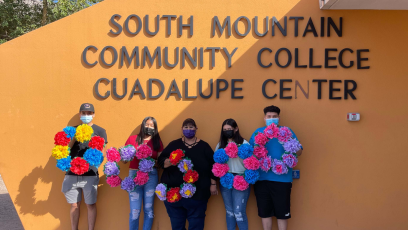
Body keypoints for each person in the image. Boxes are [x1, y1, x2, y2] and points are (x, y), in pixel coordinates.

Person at [249, 105, 303, 230]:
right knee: (265, 213)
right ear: (264, 118)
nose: (271, 119)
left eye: (274, 117)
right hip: (262, 180)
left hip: (282, 180)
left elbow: (300, 152)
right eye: (269, 117)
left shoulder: (287, 132)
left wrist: (293, 146)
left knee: (282, 214)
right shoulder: (258, 132)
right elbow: (250, 154)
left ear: (279, 118)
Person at [158, 118, 217, 230]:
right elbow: (161, 160)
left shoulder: (204, 146)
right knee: (177, 226)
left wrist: (213, 184)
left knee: (196, 225)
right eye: (186, 127)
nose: (188, 129)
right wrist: (172, 160)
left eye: (191, 127)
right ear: (182, 129)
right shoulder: (174, 144)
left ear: (196, 129)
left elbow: (213, 166)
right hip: (174, 196)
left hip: (198, 196)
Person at [62, 103, 108, 230]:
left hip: (90, 174)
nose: (86, 115)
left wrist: (95, 162)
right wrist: (74, 136)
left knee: (90, 204)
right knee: (74, 205)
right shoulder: (72, 129)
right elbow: (64, 149)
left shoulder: (100, 131)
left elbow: (103, 153)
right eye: (84, 113)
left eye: (89, 113)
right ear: (79, 114)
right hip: (72, 173)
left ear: (93, 115)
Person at [124, 117, 163, 230]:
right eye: (147, 125)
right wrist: (124, 154)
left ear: (155, 128)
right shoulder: (132, 139)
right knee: (135, 211)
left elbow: (160, 162)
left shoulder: (157, 142)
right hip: (134, 176)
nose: (149, 127)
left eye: (152, 126)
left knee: (149, 210)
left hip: (151, 177)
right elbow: (125, 161)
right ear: (143, 125)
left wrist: (148, 160)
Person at [214, 119, 250, 230]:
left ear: (236, 129)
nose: (227, 131)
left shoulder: (244, 143)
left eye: (229, 129)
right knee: (229, 211)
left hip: (241, 180)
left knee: (239, 212)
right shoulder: (220, 145)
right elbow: (216, 163)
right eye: (225, 130)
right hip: (226, 180)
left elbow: (252, 163)